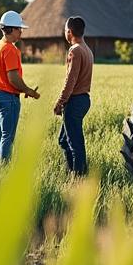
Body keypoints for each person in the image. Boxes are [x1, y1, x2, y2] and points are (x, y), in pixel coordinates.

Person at [0, 10, 39, 161]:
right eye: (19, 29)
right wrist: (28, 90)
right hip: (8, 98)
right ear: (11, 29)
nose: (21, 32)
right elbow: (13, 77)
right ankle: (4, 167)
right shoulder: (10, 49)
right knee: (7, 136)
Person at [53, 15, 94, 175]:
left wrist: (60, 102)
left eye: (65, 30)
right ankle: (71, 172)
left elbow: (71, 80)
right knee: (63, 140)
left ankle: (78, 177)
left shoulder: (75, 51)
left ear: (69, 32)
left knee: (74, 142)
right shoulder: (87, 49)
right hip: (83, 99)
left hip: (75, 101)